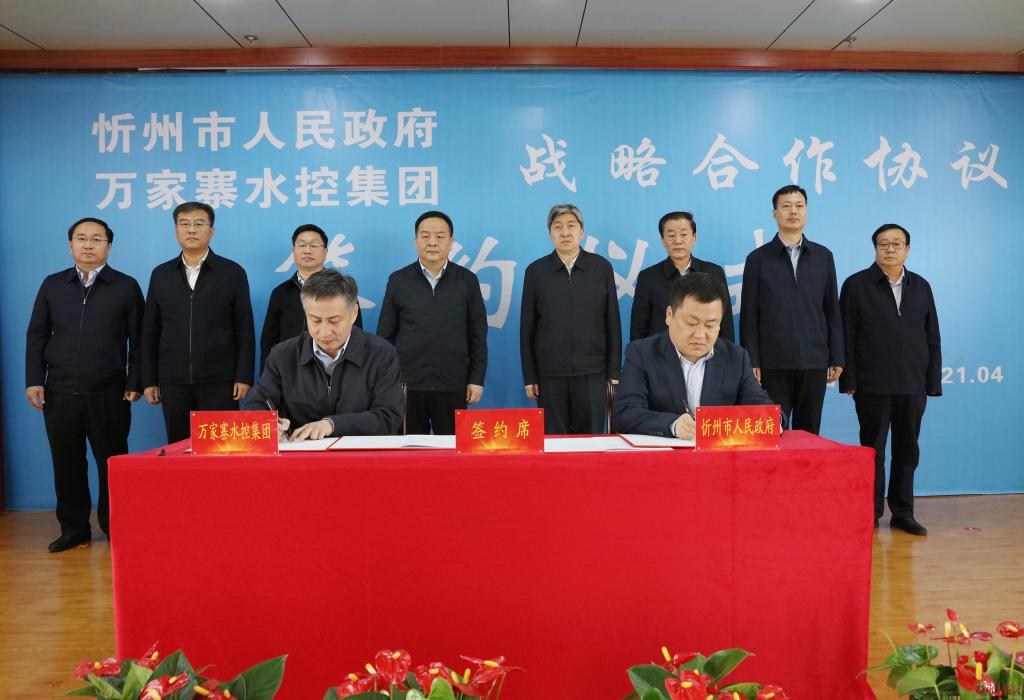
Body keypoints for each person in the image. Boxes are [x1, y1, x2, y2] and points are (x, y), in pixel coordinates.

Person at [25, 217, 144, 552]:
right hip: (59, 391)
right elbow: (36, 335)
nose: (88, 244)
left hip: (109, 391)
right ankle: (74, 529)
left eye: (96, 238)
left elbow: (140, 340)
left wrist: (135, 380)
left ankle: (114, 526)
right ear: (70, 245)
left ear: (109, 245)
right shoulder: (53, 285)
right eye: (81, 238)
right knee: (67, 463)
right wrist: (34, 380)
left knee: (112, 464)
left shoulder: (126, 286)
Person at [840, 224, 941, 535]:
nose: (890, 249)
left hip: (913, 384)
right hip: (872, 385)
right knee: (873, 451)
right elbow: (846, 336)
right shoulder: (856, 285)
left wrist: (932, 382)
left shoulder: (921, 286)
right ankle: (869, 512)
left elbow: (932, 337)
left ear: (907, 249)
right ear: (875, 249)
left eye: (897, 243)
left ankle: (903, 512)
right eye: (883, 244)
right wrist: (849, 380)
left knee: (907, 451)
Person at [141, 202, 255, 443]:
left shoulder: (232, 272)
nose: (191, 230)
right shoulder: (161, 274)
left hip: (220, 381)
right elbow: (150, 331)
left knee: (221, 449)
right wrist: (149, 379)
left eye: (199, 224)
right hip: (173, 381)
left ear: (211, 231)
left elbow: (244, 329)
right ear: (176, 231)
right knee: (179, 448)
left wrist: (243, 376)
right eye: (184, 224)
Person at [244, 269, 403, 439]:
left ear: (353, 314)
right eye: (316, 320)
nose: (325, 332)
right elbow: (256, 404)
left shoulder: (382, 354)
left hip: (361, 452)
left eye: (334, 321)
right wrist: (268, 423)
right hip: (301, 451)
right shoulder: (283, 355)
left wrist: (332, 425)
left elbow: (389, 417)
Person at [615, 272, 772, 438]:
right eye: (691, 323)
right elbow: (625, 413)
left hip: (717, 452)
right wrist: (673, 425)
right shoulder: (642, 353)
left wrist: (774, 421)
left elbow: (764, 409)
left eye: (710, 325)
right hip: (663, 452)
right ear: (669, 315)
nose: (700, 335)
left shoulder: (736, 358)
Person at [740, 185, 844, 435]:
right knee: (775, 433)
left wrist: (837, 356)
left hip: (814, 360)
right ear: (775, 213)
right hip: (773, 362)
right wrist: (752, 359)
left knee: (810, 433)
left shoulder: (823, 256)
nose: (793, 211)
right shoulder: (758, 259)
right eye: (786, 206)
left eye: (799, 206)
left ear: (806, 211)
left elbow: (832, 310)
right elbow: (749, 316)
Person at [377, 211, 488, 434]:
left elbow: (477, 335)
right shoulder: (398, 280)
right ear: (415, 240)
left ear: (451, 241)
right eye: (425, 236)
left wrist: (476, 379)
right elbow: (385, 336)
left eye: (440, 236)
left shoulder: (467, 280)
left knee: (451, 450)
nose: (432, 242)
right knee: (407, 449)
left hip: (453, 384)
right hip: (407, 385)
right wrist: (385, 382)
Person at [520, 204, 621, 434]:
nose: (565, 232)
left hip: (592, 373)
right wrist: (530, 375)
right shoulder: (535, 272)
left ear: (581, 231)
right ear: (550, 233)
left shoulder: (601, 267)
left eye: (571, 226)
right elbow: (527, 328)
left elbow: (612, 322)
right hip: (550, 375)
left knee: (591, 441)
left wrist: (614, 370)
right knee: (554, 442)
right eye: (558, 227)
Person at [260, 223, 362, 373]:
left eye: (314, 245)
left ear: (325, 252)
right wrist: (268, 377)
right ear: (293, 251)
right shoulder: (281, 293)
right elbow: (269, 341)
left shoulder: (343, 290)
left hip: (335, 370)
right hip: (291, 371)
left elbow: (356, 335)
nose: (307, 250)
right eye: (301, 245)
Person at [631, 211, 733, 342]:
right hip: (661, 353)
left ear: (694, 237)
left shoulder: (714, 273)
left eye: (684, 234)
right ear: (663, 240)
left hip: (704, 351)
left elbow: (725, 324)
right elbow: (638, 330)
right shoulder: (648, 277)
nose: (678, 241)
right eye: (671, 235)